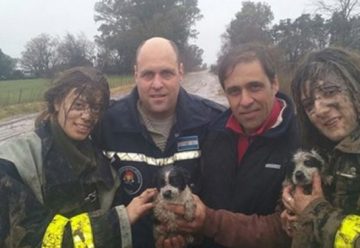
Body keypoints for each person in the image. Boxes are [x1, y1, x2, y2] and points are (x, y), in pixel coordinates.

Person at [160, 43, 300, 248]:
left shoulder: (300, 142)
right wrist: (186, 232)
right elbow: (204, 200)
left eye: (255, 87)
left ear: (275, 83)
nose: (245, 101)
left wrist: (210, 222)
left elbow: (286, 230)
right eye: (234, 91)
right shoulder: (214, 134)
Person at [0, 66, 156, 248]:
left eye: (96, 108)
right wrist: (119, 220)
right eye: (79, 105)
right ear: (57, 102)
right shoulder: (15, 162)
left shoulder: (103, 163)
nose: (88, 116)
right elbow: (38, 239)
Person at [93, 37, 225, 248]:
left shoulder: (213, 121)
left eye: (166, 73)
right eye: (147, 74)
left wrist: (201, 226)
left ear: (180, 72)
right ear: (135, 74)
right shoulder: (105, 124)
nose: (157, 84)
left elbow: (229, 196)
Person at [281, 47, 360, 248]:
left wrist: (315, 213)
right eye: (308, 105)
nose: (320, 110)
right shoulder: (326, 152)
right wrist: (292, 214)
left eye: (330, 91)